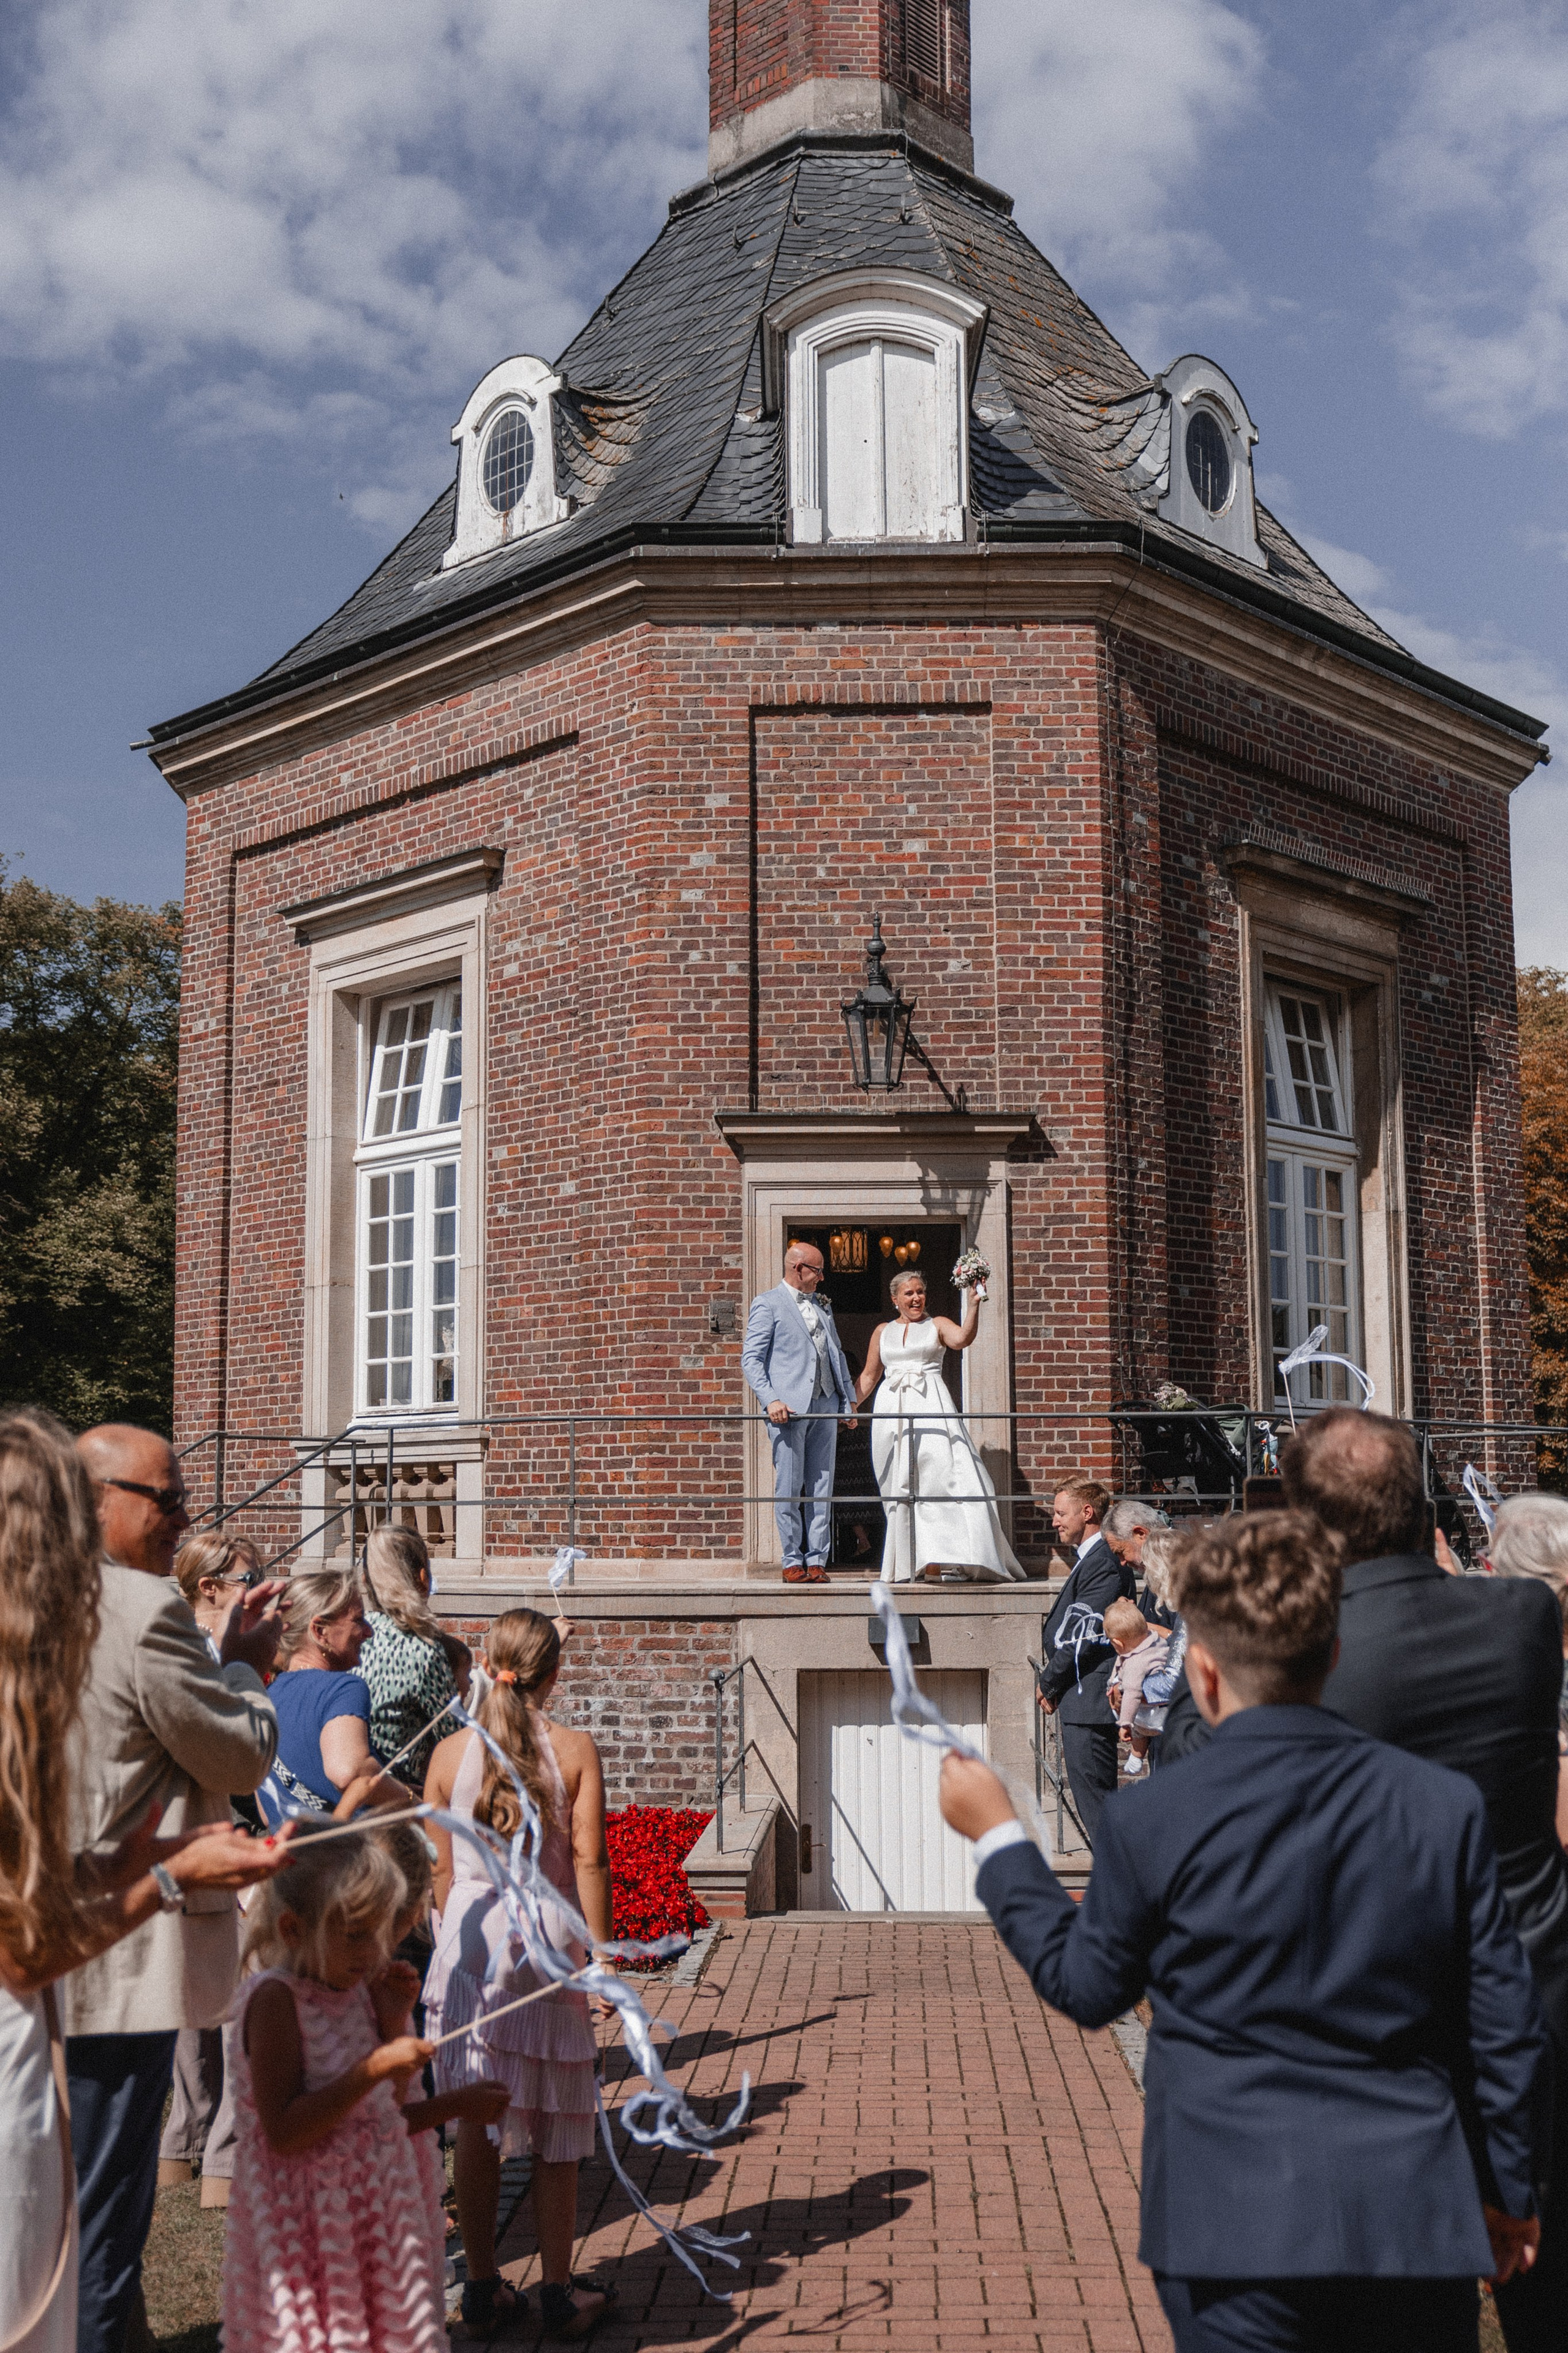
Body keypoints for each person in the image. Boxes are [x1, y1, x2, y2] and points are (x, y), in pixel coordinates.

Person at [942, 1508, 1551, 2353]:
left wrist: (1001, 1837)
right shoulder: (1437, 1803)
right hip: (1409, 2212)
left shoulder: (1155, 1816)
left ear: (1202, 1668)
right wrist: (1506, 2187)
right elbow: (1504, 2023)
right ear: (1331, 1655)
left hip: (1231, 2221)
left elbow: (1088, 1984)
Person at [1281, 1410, 1568, 2353]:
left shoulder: (1299, 1665)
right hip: (1535, 1995)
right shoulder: (1523, 1619)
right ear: (1424, 1506)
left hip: (1384, 2029)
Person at [64, 1422, 289, 2353]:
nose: (185, 1517)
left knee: (52, 2210)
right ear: (99, 1500)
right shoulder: (141, 1608)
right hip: (121, 1950)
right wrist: (246, 1665)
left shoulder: (33, 1601)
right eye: (168, 1499)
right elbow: (235, 1750)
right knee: (101, 2223)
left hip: (39, 1941)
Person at [222, 1831, 510, 2353]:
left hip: (375, 2225)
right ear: (293, 1927)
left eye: (381, 1934)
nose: (374, 1951)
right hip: (308, 2229)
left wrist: (396, 2024)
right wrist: (375, 2065)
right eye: (356, 1935)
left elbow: (384, 2116)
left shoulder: (353, 1989)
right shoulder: (275, 2001)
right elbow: (283, 2132)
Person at [424, 1610, 617, 2340]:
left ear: (487, 1664)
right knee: (556, 2130)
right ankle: (559, 2291)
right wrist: (601, 1958)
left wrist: (452, 1942)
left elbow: (440, 1866)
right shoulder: (572, 1748)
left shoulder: (447, 1754)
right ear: (553, 1672)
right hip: (544, 1947)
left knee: (476, 2121)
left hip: (470, 1948)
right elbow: (591, 1860)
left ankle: (479, 2286)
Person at [159, 1530, 270, 2189]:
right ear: (211, 1587)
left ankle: (181, 2145)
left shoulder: (162, 1647)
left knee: (187, 2003)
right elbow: (237, 1754)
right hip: (222, 1831)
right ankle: (225, 2159)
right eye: (250, 1575)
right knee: (235, 2001)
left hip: (174, 1840)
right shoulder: (216, 1657)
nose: (261, 1584)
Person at [856, 1267, 1023, 1584]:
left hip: (930, 1405)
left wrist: (973, 1304)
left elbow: (962, 1339)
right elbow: (868, 1376)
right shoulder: (882, 1331)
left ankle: (938, 1559)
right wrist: (850, 1406)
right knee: (898, 1484)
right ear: (895, 1300)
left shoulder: (938, 1325)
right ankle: (906, 1562)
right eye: (909, 1293)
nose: (916, 1298)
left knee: (937, 1477)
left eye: (920, 1292)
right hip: (891, 1411)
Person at [741, 1241, 859, 1584]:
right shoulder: (768, 1303)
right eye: (818, 1271)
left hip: (826, 1404)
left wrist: (846, 1401)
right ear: (799, 1269)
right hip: (789, 1410)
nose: (822, 1279)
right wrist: (771, 1400)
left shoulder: (822, 1305)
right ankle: (792, 1559)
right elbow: (751, 1359)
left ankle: (818, 1559)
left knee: (823, 1486)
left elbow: (835, 1354)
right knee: (790, 1487)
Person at [257, 1571, 411, 1825]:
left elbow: (266, 1811)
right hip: (352, 1857)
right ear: (320, 1631)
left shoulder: (264, 1698)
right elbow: (348, 1773)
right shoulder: (343, 1688)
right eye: (358, 1620)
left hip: (287, 1857)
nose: (369, 1632)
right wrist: (411, 1799)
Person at [1036, 1479, 1134, 1840]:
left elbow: (1087, 1633)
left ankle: (1119, 1889)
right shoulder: (1091, 1560)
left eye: (1061, 1513)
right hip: (1082, 1699)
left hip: (1089, 1701)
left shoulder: (1103, 1563)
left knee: (1099, 1813)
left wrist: (1049, 1682)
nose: (1055, 1522)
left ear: (1087, 1513)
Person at [361, 1527, 466, 1791]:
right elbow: (454, 1741)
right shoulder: (425, 1651)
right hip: (398, 1795)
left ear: (365, 1581)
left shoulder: (353, 1637)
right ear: (424, 1578)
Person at [1102, 1598, 1169, 1777]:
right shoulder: (1155, 1640)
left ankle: (1136, 1757)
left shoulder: (1135, 1664)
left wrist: (1125, 1724)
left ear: (1118, 1644)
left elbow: (1132, 1694)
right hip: (1167, 1710)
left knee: (1138, 1728)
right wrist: (1114, 1682)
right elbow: (1121, 1662)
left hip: (1155, 1718)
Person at [1102, 1498, 1176, 1625]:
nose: (1122, 1562)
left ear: (1141, 1534)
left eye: (1121, 1552)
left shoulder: (1185, 1571)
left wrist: (1146, 1628)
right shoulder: (1157, 1571)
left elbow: (1191, 1639)